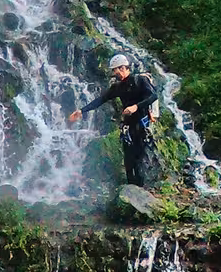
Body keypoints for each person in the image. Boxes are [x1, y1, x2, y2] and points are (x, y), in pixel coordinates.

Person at [68, 54, 159, 187]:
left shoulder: (140, 81)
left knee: (139, 158)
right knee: (128, 160)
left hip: (141, 124)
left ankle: (140, 190)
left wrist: (136, 107)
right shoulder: (118, 87)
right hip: (128, 126)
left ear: (123, 68)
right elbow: (101, 100)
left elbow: (153, 96)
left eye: (116, 71)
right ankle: (131, 189)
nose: (115, 75)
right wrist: (82, 110)